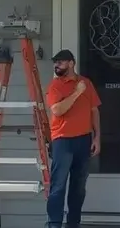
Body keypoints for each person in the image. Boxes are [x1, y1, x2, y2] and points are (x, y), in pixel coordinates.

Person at [45, 49, 101, 228]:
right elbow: (57, 110)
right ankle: (54, 224)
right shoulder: (55, 86)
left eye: (60, 62)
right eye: (55, 63)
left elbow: (94, 111)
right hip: (62, 140)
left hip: (83, 140)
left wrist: (97, 137)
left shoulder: (86, 83)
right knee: (58, 185)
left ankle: (73, 224)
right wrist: (76, 93)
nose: (56, 66)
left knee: (78, 186)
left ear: (71, 63)